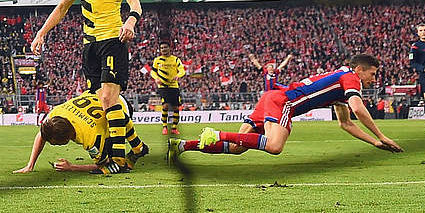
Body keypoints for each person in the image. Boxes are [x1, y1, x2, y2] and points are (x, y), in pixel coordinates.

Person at [31, 0, 142, 156]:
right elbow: (62, 8)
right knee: (100, 100)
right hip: (89, 45)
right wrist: (41, 32)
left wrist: (130, 22)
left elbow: (135, 2)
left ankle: (118, 157)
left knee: (109, 98)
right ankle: (138, 147)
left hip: (113, 39)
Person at [171, 54, 403, 160]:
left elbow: (346, 123)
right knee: (274, 147)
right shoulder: (351, 77)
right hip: (282, 102)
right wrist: (382, 135)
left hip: (270, 98)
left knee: (237, 147)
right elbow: (359, 109)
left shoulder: (340, 81)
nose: (374, 79)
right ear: (360, 69)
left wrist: (375, 143)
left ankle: (182, 146)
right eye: (372, 74)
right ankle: (216, 133)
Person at [12, 92, 148, 175]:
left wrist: (72, 167)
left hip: (120, 108)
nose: (53, 145)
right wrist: (30, 164)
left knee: (114, 162)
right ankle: (138, 148)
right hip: (106, 93)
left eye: (55, 143)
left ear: (66, 139)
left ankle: (138, 148)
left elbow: (102, 164)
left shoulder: (91, 137)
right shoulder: (56, 114)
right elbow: (42, 134)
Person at [150, 42, 185, 137]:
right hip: (163, 87)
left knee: (176, 108)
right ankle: (164, 126)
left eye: (165, 47)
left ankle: (174, 128)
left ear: (169, 48)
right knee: (165, 106)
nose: (163, 49)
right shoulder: (157, 60)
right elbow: (153, 72)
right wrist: (156, 78)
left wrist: (178, 75)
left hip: (174, 87)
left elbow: (182, 70)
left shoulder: (175, 59)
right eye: (161, 48)